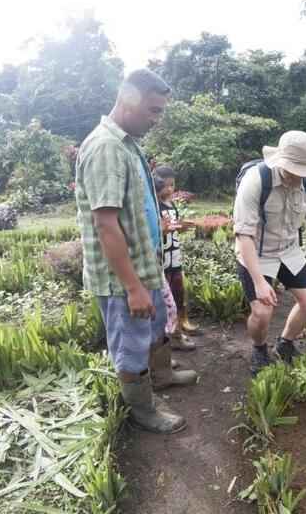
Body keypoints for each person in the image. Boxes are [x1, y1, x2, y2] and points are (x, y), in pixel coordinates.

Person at [75, 69, 197, 434]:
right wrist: (132, 287)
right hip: (120, 279)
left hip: (144, 266)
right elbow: (106, 225)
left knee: (156, 325)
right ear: (128, 100)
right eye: (152, 110)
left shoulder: (128, 143)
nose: (157, 120)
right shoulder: (106, 148)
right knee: (130, 344)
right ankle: (143, 410)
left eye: (160, 111)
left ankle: (161, 375)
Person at [233, 131, 306, 374]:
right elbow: (244, 236)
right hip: (257, 254)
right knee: (262, 312)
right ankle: (259, 349)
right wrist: (259, 283)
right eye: (295, 170)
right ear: (282, 162)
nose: (300, 176)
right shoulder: (255, 181)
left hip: (289, 251)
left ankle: (285, 343)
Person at [152, 165, 199, 352]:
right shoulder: (155, 206)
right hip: (162, 257)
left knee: (178, 290)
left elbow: (171, 225)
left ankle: (181, 321)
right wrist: (164, 230)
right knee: (166, 295)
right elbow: (157, 232)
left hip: (174, 253)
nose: (169, 190)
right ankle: (170, 331)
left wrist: (179, 226)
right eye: (165, 186)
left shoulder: (171, 204)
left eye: (172, 185)